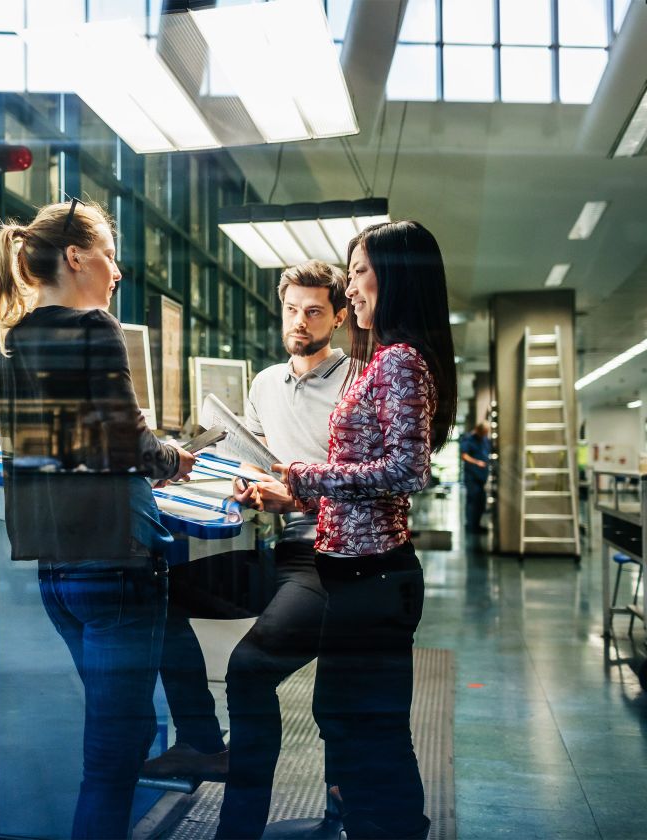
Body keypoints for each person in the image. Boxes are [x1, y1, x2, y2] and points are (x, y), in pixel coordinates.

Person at [0, 198, 196, 839]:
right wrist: (171, 456)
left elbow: (48, 450)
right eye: (110, 253)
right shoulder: (96, 327)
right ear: (76, 257)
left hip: (58, 572)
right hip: (117, 562)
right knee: (109, 760)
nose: (117, 270)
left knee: (124, 731)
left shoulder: (11, 343)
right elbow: (125, 444)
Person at [144, 261, 350, 839]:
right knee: (156, 592)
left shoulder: (357, 382)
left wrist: (296, 493)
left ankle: (237, 830)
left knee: (250, 667)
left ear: (337, 316)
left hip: (333, 557)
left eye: (314, 311)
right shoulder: (264, 384)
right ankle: (202, 741)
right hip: (281, 550)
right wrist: (242, 479)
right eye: (292, 310)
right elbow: (255, 460)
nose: (300, 322)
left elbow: (362, 477)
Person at [277, 221, 457, 840]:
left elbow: (409, 470)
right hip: (357, 574)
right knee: (345, 717)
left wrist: (306, 477)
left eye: (357, 271)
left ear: (395, 274)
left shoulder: (401, 361)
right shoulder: (382, 358)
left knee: (369, 727)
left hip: (375, 576)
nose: (349, 286)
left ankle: (393, 830)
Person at [460, 421, 491, 533]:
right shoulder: (469, 439)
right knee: (473, 501)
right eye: (484, 432)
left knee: (480, 501)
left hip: (481, 477)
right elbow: (464, 455)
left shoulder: (485, 440)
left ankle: (477, 525)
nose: (485, 434)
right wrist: (477, 462)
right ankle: (471, 526)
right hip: (472, 477)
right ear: (479, 430)